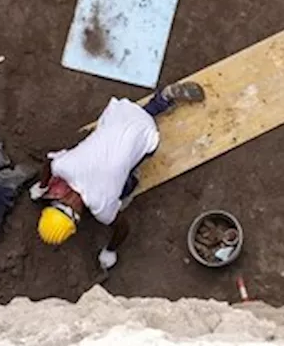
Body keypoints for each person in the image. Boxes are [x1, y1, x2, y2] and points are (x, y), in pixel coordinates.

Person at [29, 81, 206, 270]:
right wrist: (42, 186)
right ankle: (162, 99)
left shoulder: (103, 206)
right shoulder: (63, 167)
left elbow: (123, 228)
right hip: (119, 113)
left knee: (126, 186)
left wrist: (110, 251)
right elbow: (48, 164)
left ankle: (162, 102)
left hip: (147, 134)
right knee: (114, 137)